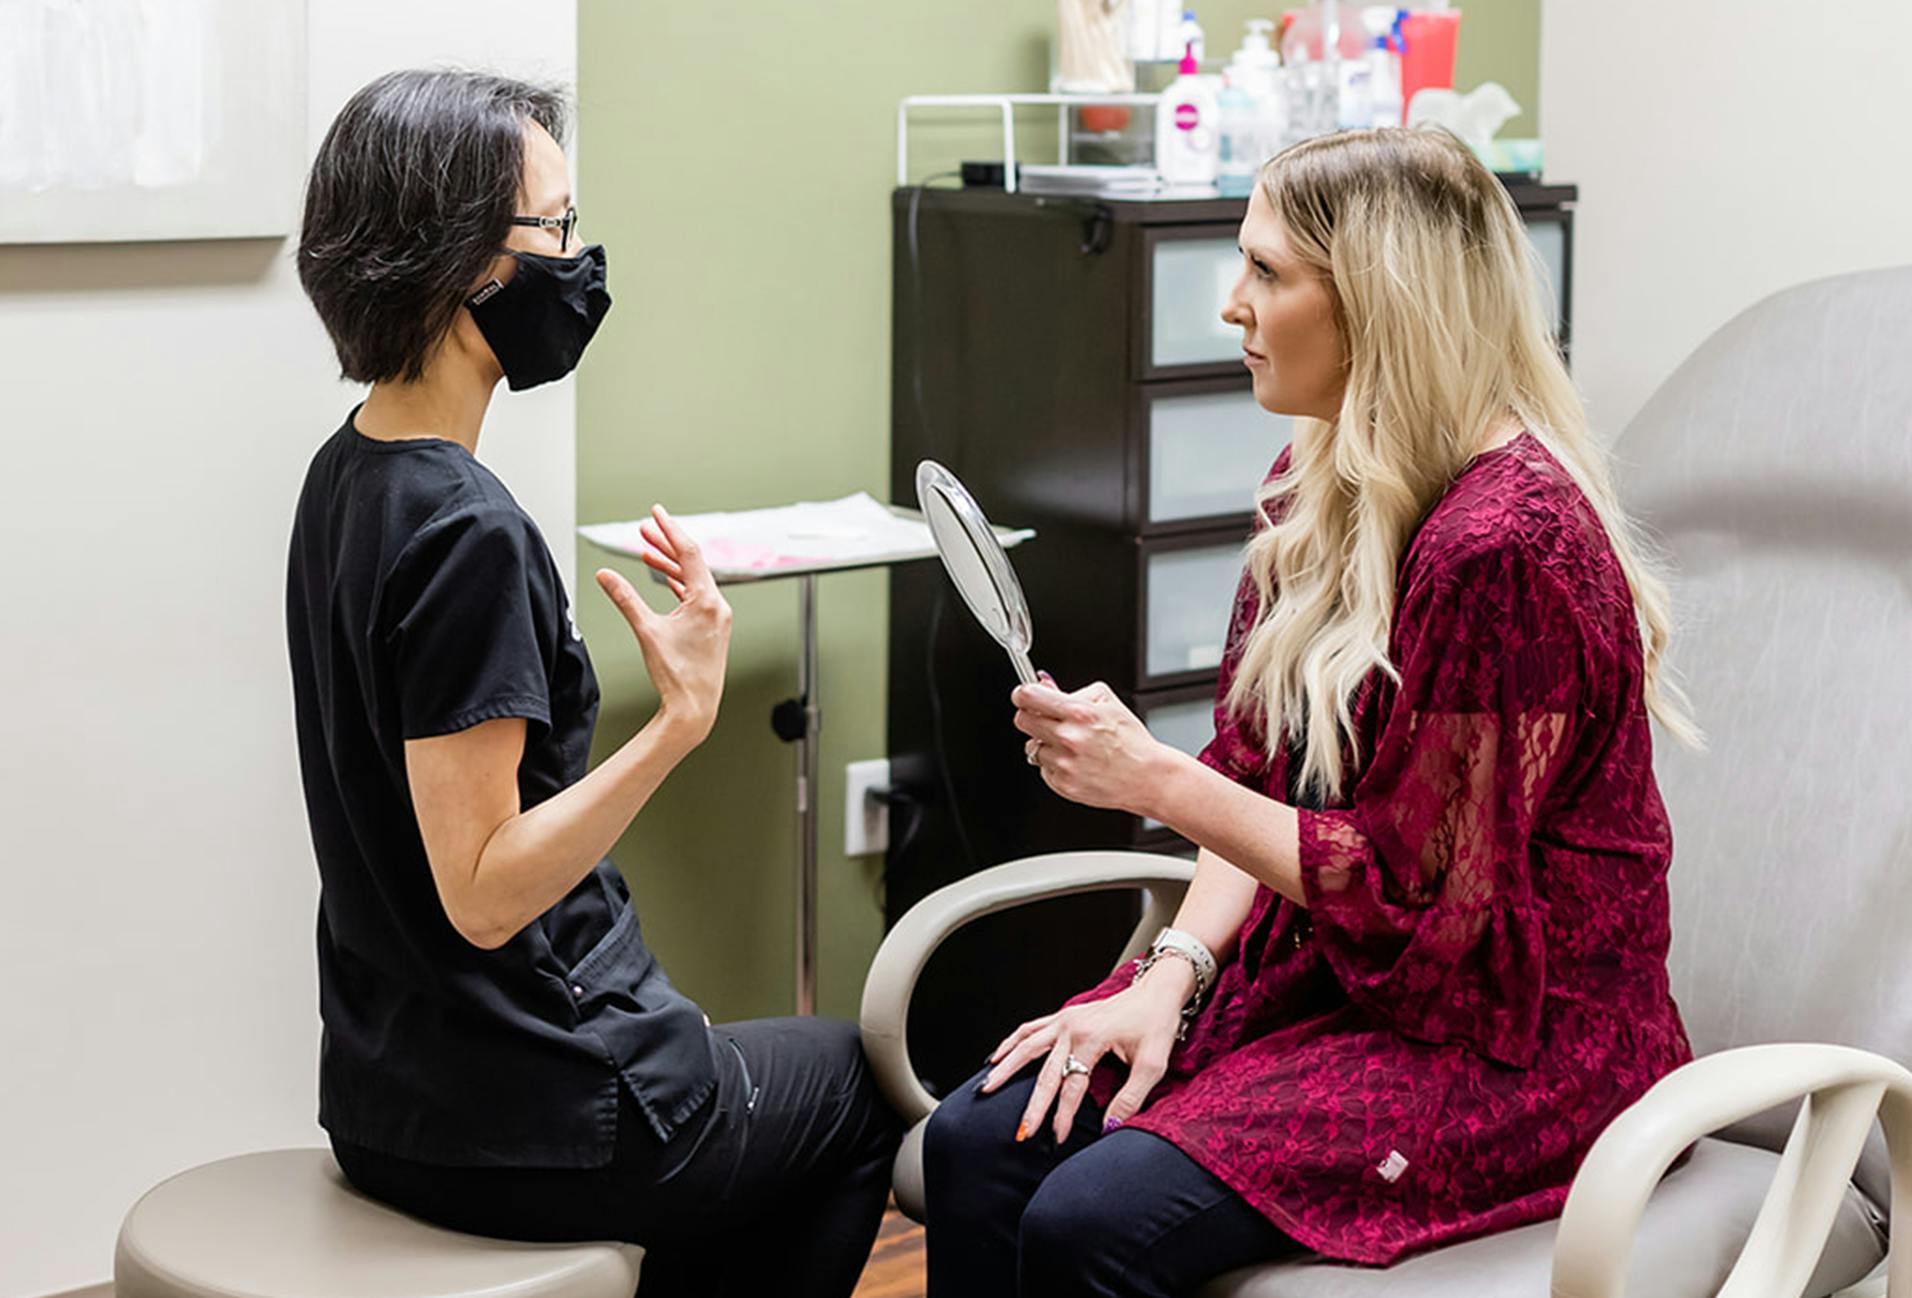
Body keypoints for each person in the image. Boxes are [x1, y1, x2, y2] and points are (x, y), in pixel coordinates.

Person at [922, 126, 1701, 1297]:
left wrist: (1150, 777)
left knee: (1092, 1218)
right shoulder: (1315, 489)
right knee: (981, 1142)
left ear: (1381, 302)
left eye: (1268, 272)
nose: (1230, 304)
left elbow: (1423, 903)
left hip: (1507, 1041)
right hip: (1336, 983)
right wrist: (1168, 972)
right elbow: (1260, 779)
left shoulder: (1507, 546)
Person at [285, 70, 899, 1298]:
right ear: (467, 268)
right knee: (858, 1083)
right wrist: (678, 721)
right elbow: (482, 891)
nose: (580, 259)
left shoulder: (345, 472)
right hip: (534, 1113)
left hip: (388, 1095)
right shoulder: (466, 533)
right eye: (556, 230)